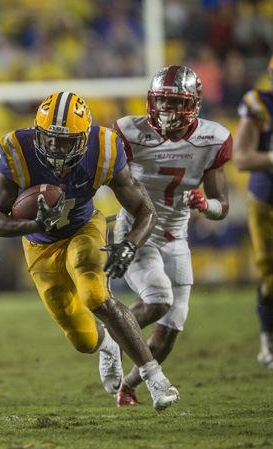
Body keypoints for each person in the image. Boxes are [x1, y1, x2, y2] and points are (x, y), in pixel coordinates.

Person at [0, 91, 179, 411]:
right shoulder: (18, 150)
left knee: (95, 295)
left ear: (84, 139)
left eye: (66, 142)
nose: (57, 149)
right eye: (50, 139)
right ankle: (107, 346)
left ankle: (156, 379)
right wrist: (34, 224)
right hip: (39, 246)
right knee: (82, 339)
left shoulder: (105, 149)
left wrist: (130, 245)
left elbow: (146, 211)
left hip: (83, 228)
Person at [112, 65, 231, 406]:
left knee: (172, 325)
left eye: (176, 103)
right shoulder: (129, 131)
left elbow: (222, 206)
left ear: (193, 103)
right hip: (136, 230)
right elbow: (105, 176)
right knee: (158, 298)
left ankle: (129, 387)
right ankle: (108, 341)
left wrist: (204, 204)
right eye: (162, 101)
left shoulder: (213, 139)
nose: (167, 110)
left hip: (175, 235)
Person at [232, 55, 273, 368]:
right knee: (271, 275)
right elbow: (242, 158)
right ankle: (267, 340)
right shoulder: (259, 105)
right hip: (267, 202)